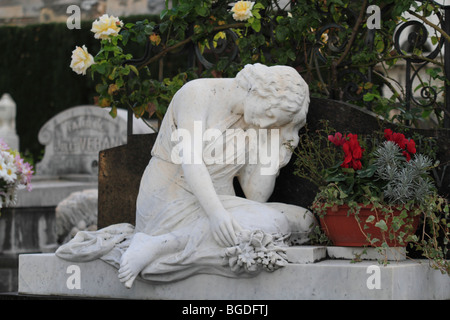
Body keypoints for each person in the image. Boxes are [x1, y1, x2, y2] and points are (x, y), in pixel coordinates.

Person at [56, 63, 316, 288]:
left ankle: (172, 243)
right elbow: (191, 160)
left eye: (275, 122)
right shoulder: (197, 94)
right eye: (271, 116)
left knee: (305, 221)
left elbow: (256, 195)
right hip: (172, 200)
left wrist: (279, 145)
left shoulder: (257, 122)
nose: (266, 123)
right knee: (264, 229)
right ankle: (156, 244)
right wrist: (216, 215)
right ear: (263, 93)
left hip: (219, 209)